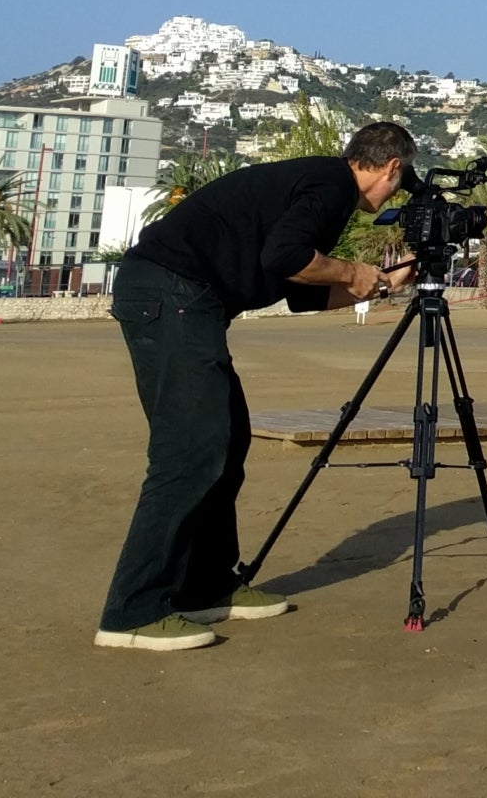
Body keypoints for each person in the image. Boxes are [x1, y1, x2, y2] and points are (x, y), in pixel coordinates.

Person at [94, 122, 420, 652]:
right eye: (398, 184)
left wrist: (381, 282)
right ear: (391, 168)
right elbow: (285, 258)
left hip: (182, 300)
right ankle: (132, 611)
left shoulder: (320, 189)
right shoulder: (331, 182)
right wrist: (350, 269)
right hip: (170, 291)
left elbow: (301, 294)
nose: (396, 192)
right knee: (191, 450)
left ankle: (208, 585)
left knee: (227, 440)